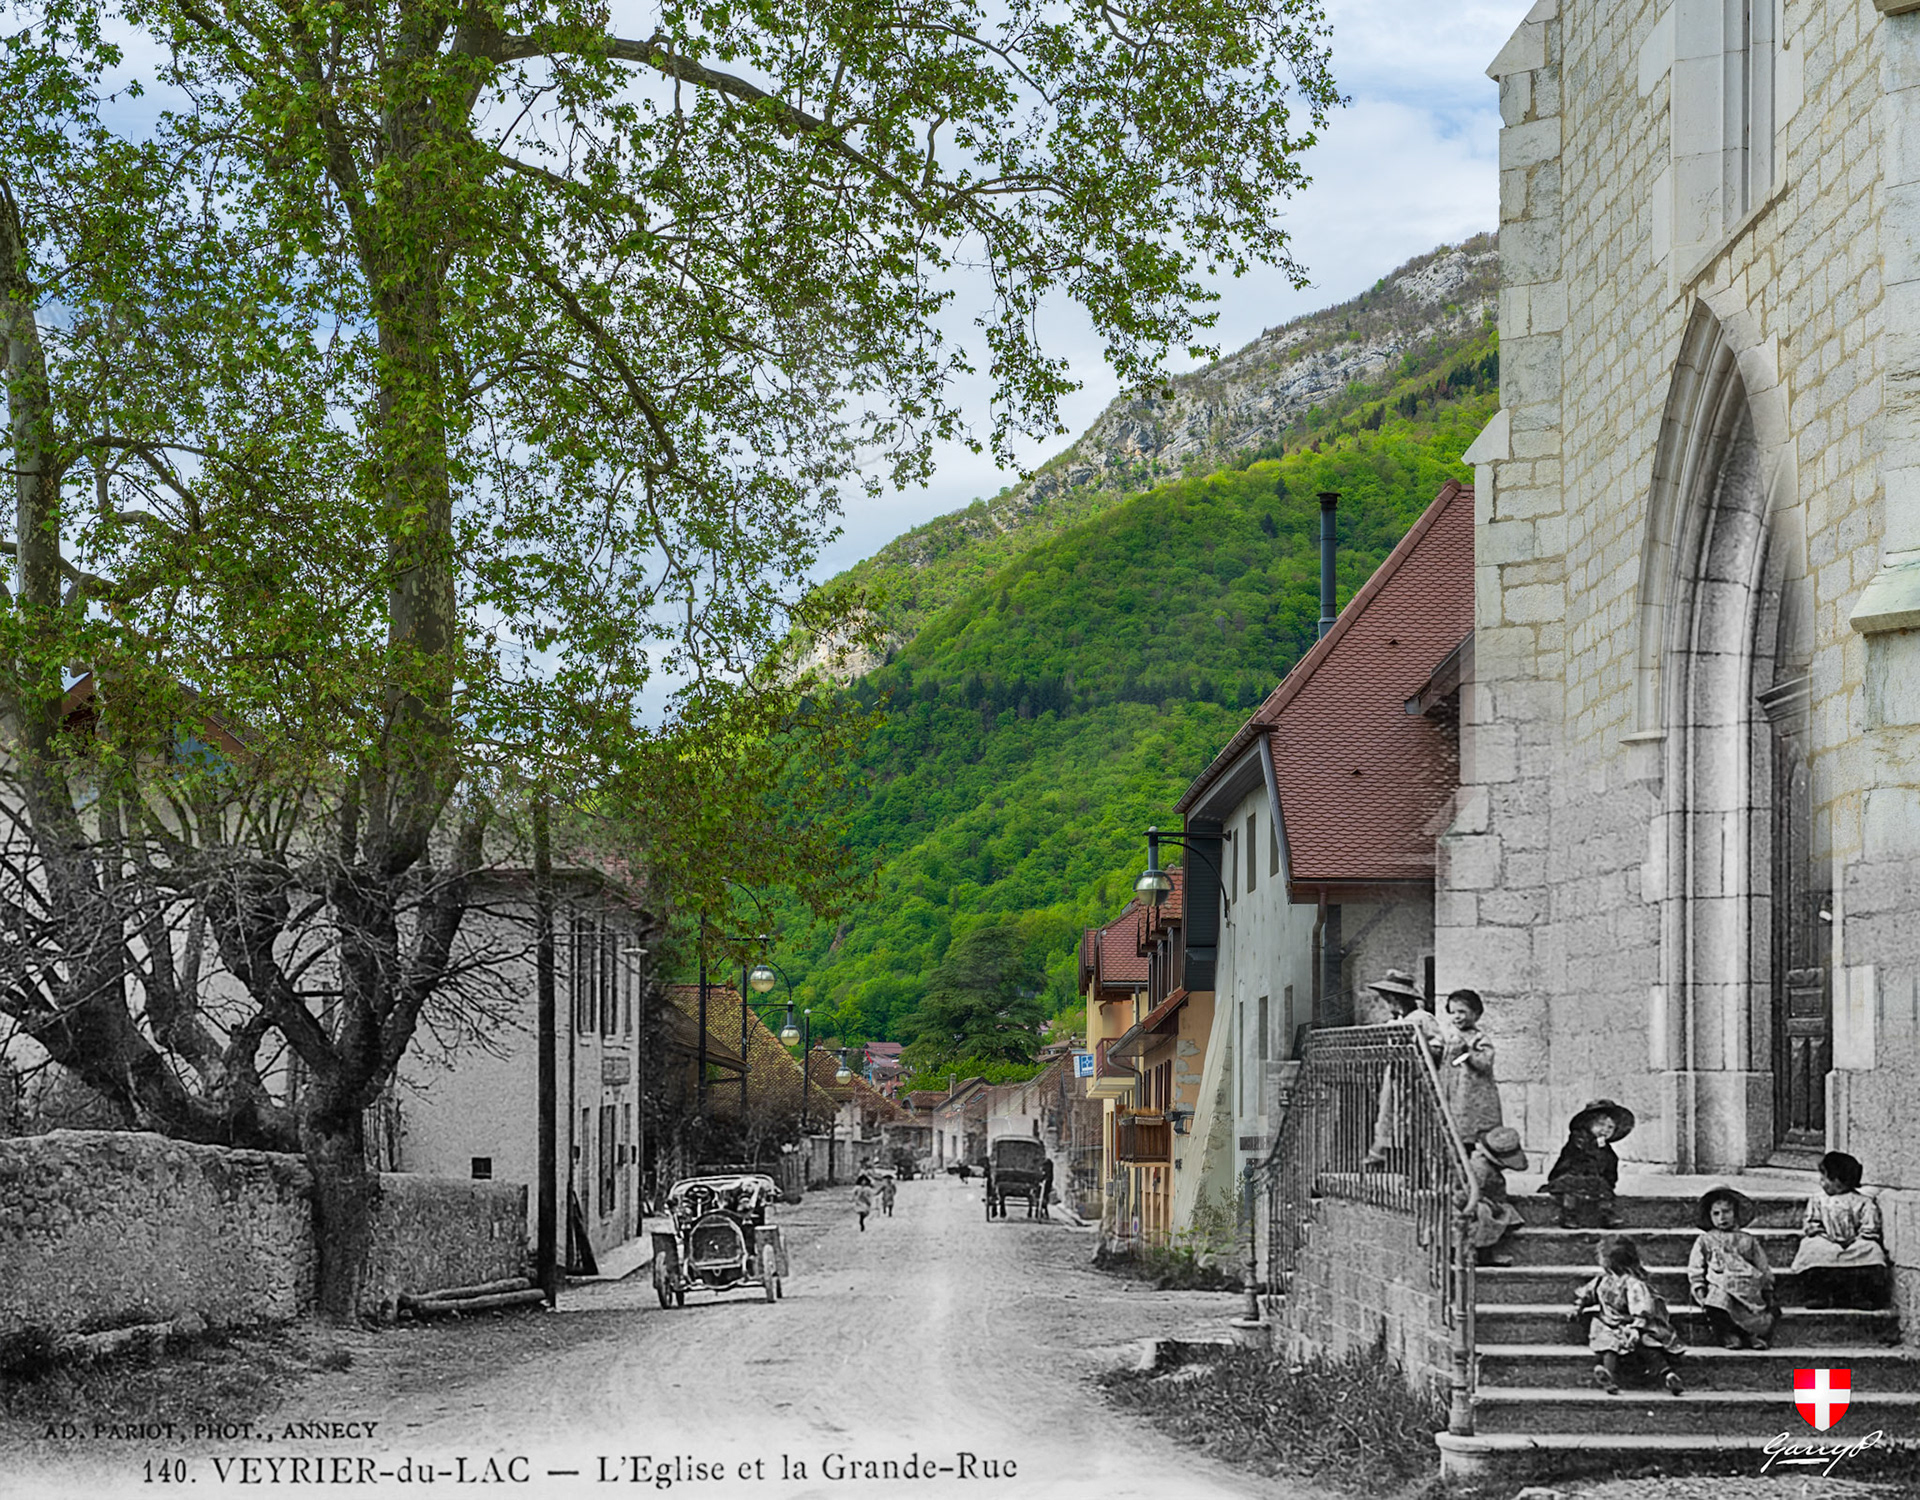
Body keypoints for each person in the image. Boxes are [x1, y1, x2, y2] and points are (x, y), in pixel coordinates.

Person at [1573, 1233, 1685, 1396]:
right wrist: (1578, 1307)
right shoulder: (1603, 1281)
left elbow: (1641, 1309)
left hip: (1634, 1324)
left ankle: (1668, 1375)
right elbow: (1587, 1294)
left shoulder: (1634, 1284)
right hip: (1610, 1323)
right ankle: (1608, 1376)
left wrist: (1635, 1328)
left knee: (1647, 1344)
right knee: (1609, 1342)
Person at [1362, 969, 1444, 1171]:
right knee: (1393, 1121)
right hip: (1397, 1077)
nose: (1389, 1004)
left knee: (1418, 1124)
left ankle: (1426, 1172)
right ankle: (1399, 1166)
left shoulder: (1422, 1018)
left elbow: (1437, 1047)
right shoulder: (1395, 1022)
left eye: (1391, 1000)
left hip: (1417, 1079)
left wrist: (1417, 1044)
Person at [1790, 1151, 1890, 1309]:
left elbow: (1870, 1226)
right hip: (1826, 1240)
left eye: (1825, 1179)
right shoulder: (1818, 1200)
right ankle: (1819, 1294)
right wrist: (1824, 1237)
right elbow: (1811, 1223)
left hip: (1855, 1242)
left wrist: (1858, 1240)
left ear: (1839, 1180)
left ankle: (1859, 1294)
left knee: (1872, 1250)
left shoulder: (1863, 1202)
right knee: (1811, 1247)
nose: (1821, 1183)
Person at [1688, 1185, 1777, 1349]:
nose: (1722, 1217)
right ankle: (1729, 1335)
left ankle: (1750, 1335)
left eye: (1727, 1211)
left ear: (1736, 1213)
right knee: (1718, 1303)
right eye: (1716, 1213)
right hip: (1720, 1281)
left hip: (1746, 1283)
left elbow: (1761, 1265)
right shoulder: (1705, 1240)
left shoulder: (1748, 1240)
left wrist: (1767, 1285)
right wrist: (1698, 1285)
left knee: (1753, 1308)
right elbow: (1696, 1266)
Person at [1543, 1099, 1633, 1229]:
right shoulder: (1578, 1139)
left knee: (1603, 1190)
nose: (1605, 1130)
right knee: (1570, 1190)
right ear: (1588, 1123)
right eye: (1600, 1124)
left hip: (1593, 1180)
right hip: (1572, 1175)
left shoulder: (1606, 1149)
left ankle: (1606, 1214)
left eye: (1610, 1127)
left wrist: (1609, 1182)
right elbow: (1581, 1158)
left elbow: (1610, 1167)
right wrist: (1596, 1149)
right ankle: (1569, 1215)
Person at [1437, 988, 1502, 1146]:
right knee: (1449, 1132)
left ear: (1476, 1014)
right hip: (1451, 1092)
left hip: (1471, 1095)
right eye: (1452, 1012)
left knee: (1469, 1134)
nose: (1457, 1017)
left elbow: (1485, 1062)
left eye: (1462, 1012)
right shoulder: (1449, 1036)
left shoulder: (1478, 1039)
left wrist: (1467, 1051)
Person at [1464, 1125, 1529, 1266]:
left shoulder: (1489, 1167)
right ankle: (1481, 1254)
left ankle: (1486, 1251)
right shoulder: (1480, 1167)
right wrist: (1489, 1203)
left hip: (1488, 1200)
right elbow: (1472, 1191)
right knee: (1485, 1216)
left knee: (1502, 1213)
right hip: (1475, 1203)